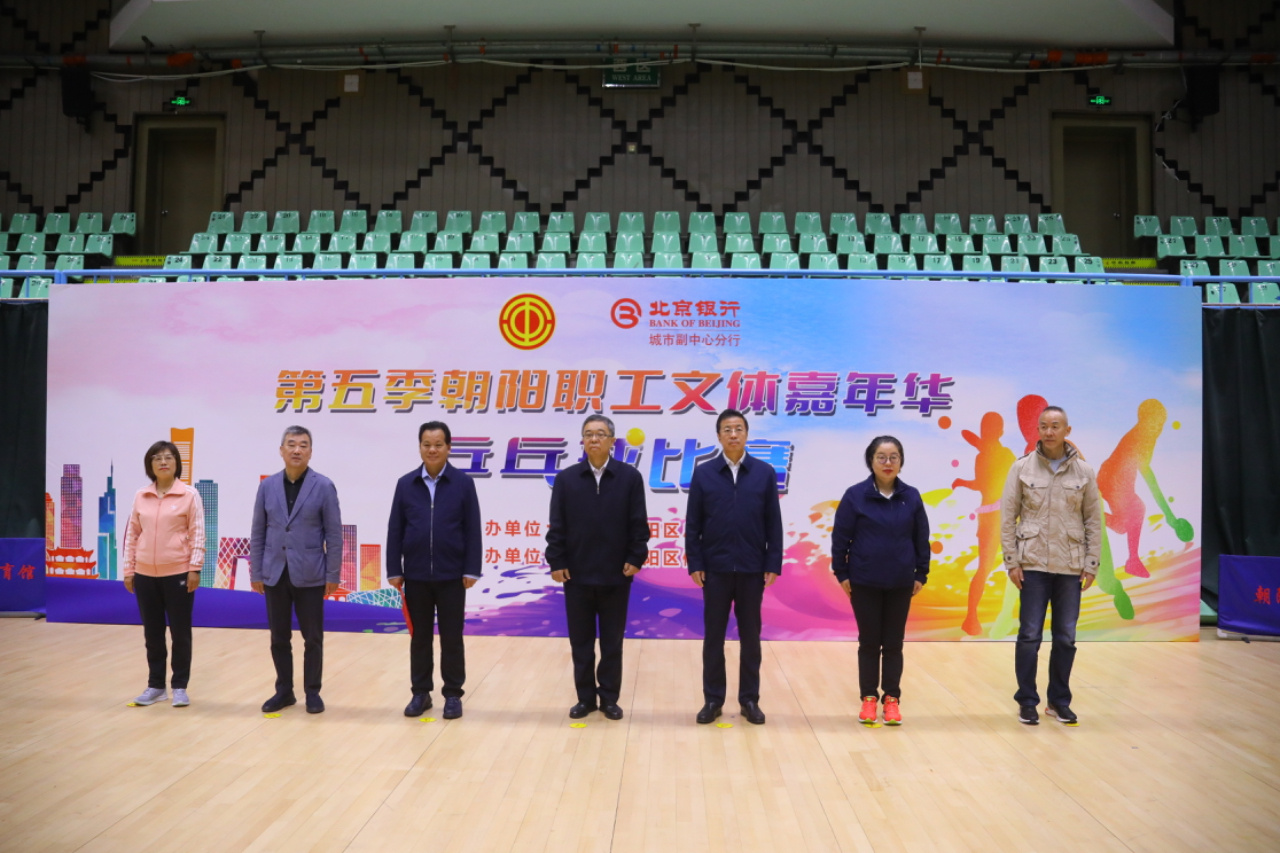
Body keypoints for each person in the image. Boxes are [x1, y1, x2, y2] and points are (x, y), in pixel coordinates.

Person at [545, 414, 650, 721]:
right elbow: (557, 525)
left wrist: (636, 557)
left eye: (601, 434)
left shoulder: (629, 478)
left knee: (612, 643)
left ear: (612, 441)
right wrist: (557, 561)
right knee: (581, 643)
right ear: (582, 440)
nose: (594, 439)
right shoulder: (567, 479)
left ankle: (609, 699)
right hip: (576, 575)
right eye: (589, 434)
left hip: (616, 575)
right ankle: (585, 699)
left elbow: (639, 524)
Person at [1001, 405, 1100, 726]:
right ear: (1038, 430)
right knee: (1029, 635)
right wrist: (1011, 560)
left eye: (1055, 426)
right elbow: (1008, 516)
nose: (1049, 431)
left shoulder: (1084, 472)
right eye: (1043, 425)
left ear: (1067, 431)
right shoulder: (1021, 468)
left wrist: (1091, 563)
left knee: (1065, 637)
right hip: (1032, 564)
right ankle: (1027, 701)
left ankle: (1058, 702)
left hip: (1070, 566)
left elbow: (1093, 520)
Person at [686, 409, 783, 726]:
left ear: (746, 434)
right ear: (718, 436)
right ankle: (713, 700)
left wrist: (772, 562)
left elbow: (773, 522)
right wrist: (696, 562)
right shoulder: (704, 474)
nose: (733, 434)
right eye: (727, 429)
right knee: (713, 637)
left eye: (738, 428)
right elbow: (693, 523)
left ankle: (749, 700)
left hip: (752, 569)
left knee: (751, 638)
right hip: (714, 569)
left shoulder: (764, 473)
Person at [830, 436, 930, 726]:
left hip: (901, 582)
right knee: (870, 642)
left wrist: (921, 573)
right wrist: (842, 573)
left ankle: (892, 699)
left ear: (901, 461)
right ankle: (869, 698)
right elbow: (840, 538)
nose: (888, 463)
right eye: (881, 457)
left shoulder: (911, 496)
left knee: (894, 643)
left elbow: (921, 538)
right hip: (864, 581)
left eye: (893, 457)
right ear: (871, 461)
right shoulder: (855, 495)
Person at [386, 421, 482, 720]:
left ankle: (453, 694)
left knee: (452, 637)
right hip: (415, 576)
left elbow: (473, 529)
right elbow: (395, 529)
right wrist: (394, 568)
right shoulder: (406, 484)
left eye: (438, 444)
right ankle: (421, 693)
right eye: (427, 444)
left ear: (448, 448)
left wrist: (472, 569)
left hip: (452, 576)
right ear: (420, 447)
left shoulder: (463, 483)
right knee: (420, 638)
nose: (432, 449)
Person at [250, 426, 343, 714]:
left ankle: (312, 692)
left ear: (310, 452)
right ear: (281, 450)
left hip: (311, 574)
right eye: (291, 444)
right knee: (279, 637)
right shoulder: (267, 486)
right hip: (275, 572)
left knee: (312, 637)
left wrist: (332, 575)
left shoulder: (323, 486)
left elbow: (334, 534)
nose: (297, 450)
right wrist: (256, 572)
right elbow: (258, 531)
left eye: (303, 445)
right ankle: (284, 691)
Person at [122, 441, 205, 708]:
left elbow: (197, 533)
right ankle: (156, 685)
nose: (163, 462)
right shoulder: (141, 496)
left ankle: (180, 686)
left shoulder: (189, 495)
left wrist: (194, 568)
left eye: (168, 457)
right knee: (152, 633)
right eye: (157, 458)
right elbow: (132, 535)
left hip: (178, 572)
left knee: (180, 632)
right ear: (150, 465)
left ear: (176, 463)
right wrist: (129, 570)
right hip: (144, 574)